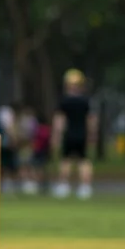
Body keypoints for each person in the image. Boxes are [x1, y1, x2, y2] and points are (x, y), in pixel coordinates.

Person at [52, 69, 97, 200]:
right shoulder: (85, 101)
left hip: (69, 134)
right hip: (82, 134)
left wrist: (56, 135)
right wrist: (92, 135)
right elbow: (91, 120)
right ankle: (85, 188)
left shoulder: (65, 101)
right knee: (83, 161)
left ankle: (63, 186)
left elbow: (59, 121)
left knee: (66, 161)